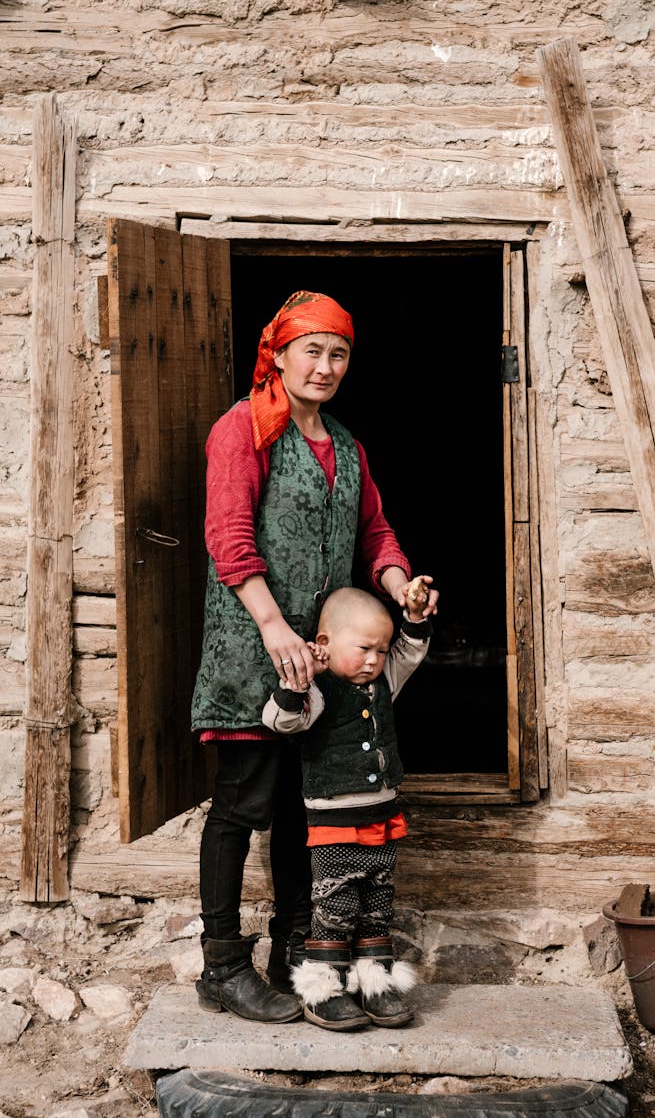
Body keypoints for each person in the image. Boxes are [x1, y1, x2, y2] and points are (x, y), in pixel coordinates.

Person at [190, 289, 439, 1024]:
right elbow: (228, 541)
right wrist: (272, 629)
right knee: (242, 805)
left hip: (321, 661)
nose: (326, 366)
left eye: (339, 353)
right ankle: (223, 965)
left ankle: (303, 953)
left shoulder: (347, 444)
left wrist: (403, 588)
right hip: (253, 648)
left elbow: (376, 535)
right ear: (279, 353)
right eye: (313, 350)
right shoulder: (242, 431)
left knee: (311, 813)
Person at [261, 579, 433, 1032]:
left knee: (377, 901)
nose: (375, 660)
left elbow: (409, 653)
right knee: (335, 905)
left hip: (382, 816)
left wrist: (414, 618)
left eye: (381, 649)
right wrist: (296, 682)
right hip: (334, 823)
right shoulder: (318, 692)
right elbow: (280, 720)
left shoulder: (381, 684)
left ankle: (374, 982)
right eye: (364, 649)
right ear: (324, 644)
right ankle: (324, 989)